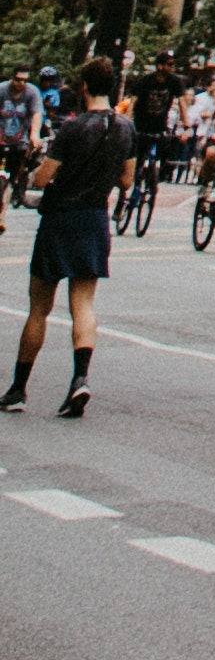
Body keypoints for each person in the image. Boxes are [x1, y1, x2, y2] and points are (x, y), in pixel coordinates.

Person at [4, 56, 129, 418]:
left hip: (60, 219)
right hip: (95, 218)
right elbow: (126, 180)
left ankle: (18, 388)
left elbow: (42, 180)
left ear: (85, 86)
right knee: (84, 305)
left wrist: (38, 169)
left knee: (39, 308)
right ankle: (80, 379)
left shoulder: (74, 128)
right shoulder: (125, 128)